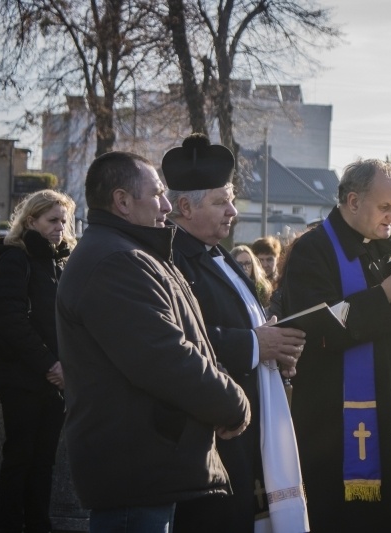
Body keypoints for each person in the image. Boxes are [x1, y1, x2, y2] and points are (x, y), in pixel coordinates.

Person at [55, 151, 250, 532]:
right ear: (122, 201)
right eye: (157, 193)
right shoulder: (116, 261)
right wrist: (233, 403)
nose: (166, 204)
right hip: (134, 470)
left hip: (150, 465)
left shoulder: (135, 253)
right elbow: (166, 359)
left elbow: (195, 342)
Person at [281, 159, 391, 532]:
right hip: (337, 421)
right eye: (386, 207)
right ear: (353, 201)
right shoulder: (312, 250)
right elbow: (318, 330)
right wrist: (384, 295)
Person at [163, 133, 308, 533]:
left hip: (246, 417)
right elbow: (174, 338)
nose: (233, 212)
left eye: (231, 200)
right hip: (211, 427)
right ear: (184, 207)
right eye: (220, 201)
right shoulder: (169, 258)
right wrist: (255, 344)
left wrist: (274, 345)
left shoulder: (217, 250)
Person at [0, 190, 76, 533]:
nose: (59, 228)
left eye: (63, 221)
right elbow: (11, 321)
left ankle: (39, 524)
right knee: (20, 459)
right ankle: (10, 525)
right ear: (31, 221)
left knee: (44, 461)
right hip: (23, 380)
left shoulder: (58, 261)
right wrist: (49, 366)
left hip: (54, 381)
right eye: (52, 220)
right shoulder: (15, 258)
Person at [231, 244, 273, 309]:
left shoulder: (262, 289)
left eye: (248, 263)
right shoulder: (228, 288)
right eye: (240, 264)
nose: (245, 267)